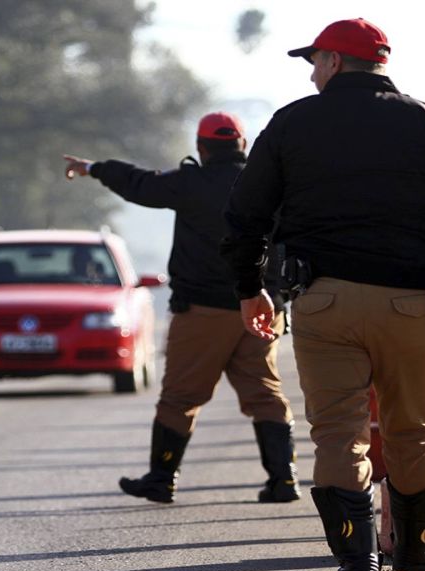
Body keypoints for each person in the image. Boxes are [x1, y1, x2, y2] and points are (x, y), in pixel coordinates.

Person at [220, 19, 425, 571]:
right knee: (416, 434)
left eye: (314, 60)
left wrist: (250, 289)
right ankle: (416, 560)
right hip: (410, 303)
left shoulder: (292, 122)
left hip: (326, 302)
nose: (312, 72)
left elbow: (246, 216)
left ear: (336, 61)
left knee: (339, 438)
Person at [63, 112, 300, 505]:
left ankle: (161, 479)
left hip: (204, 311)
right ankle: (283, 479)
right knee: (265, 394)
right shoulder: (271, 184)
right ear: (242, 144)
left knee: (180, 398)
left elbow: (141, 183)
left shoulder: (191, 183)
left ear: (202, 148)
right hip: (262, 307)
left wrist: (95, 168)